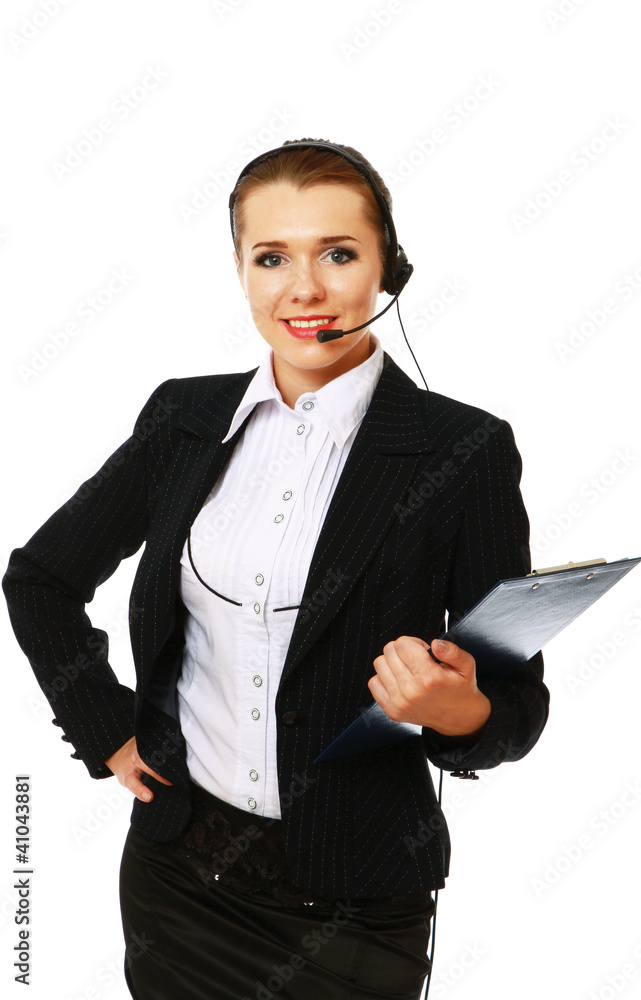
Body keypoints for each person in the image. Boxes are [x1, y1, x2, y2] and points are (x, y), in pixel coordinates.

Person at [2, 138, 550, 1000]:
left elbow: (516, 706)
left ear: (387, 269)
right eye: (271, 257)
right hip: (179, 875)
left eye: (338, 254)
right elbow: (39, 579)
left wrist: (461, 709)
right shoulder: (182, 418)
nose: (303, 290)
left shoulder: (462, 449)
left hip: (358, 902)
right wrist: (103, 726)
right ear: (240, 270)